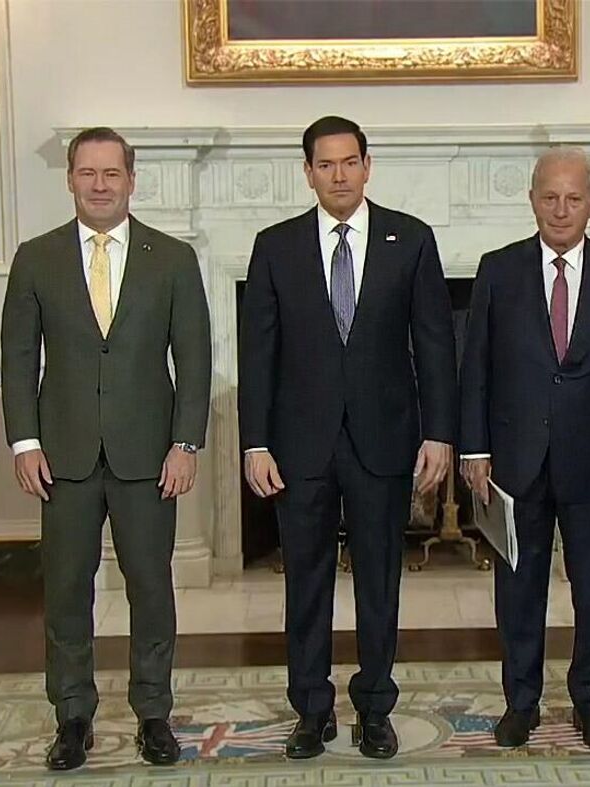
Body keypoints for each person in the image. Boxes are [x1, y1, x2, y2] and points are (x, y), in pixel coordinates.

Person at [238, 115, 458, 760]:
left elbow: (435, 344)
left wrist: (439, 434)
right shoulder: (275, 246)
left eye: (350, 162)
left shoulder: (410, 240)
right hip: (298, 447)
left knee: (380, 581)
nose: (340, 175)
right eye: (326, 164)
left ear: (368, 166)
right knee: (304, 583)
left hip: (383, 440)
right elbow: (258, 354)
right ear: (308, 172)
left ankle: (375, 707)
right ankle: (311, 709)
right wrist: (255, 443)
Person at [0, 126, 212, 770]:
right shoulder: (35, 258)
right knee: (67, 590)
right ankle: (72, 716)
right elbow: (17, 358)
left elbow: (194, 359)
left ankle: (153, 713)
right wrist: (24, 442)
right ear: (69, 179)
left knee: (151, 587)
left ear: (131, 180)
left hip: (149, 457)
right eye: (87, 173)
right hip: (61, 457)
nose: (99, 185)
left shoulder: (172, 258)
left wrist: (185, 443)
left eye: (111, 173)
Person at [458, 147, 590, 750]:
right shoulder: (498, 269)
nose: (561, 210)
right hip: (514, 459)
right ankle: (521, 703)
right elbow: (476, 368)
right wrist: (473, 449)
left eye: (573, 199)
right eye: (550, 197)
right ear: (532, 200)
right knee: (519, 588)